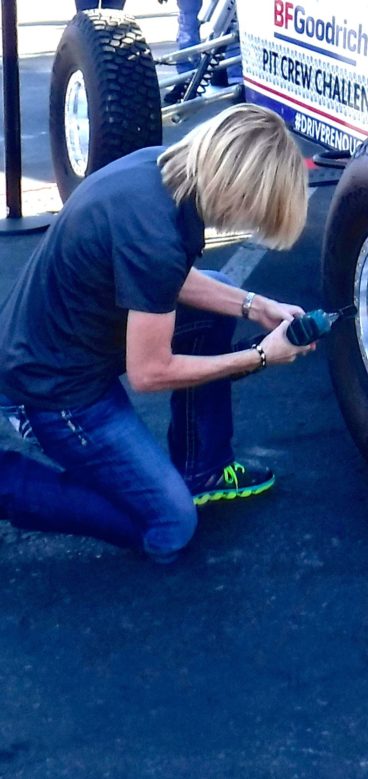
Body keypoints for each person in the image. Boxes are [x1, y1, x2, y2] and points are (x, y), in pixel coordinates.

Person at [0, 104, 311, 564]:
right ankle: (11, 484)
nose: (248, 224)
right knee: (169, 526)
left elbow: (158, 278)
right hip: (54, 391)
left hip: (65, 346)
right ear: (239, 189)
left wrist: (257, 305)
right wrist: (261, 356)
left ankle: (200, 469)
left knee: (224, 290)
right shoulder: (156, 234)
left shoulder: (164, 170)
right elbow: (150, 371)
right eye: (256, 212)